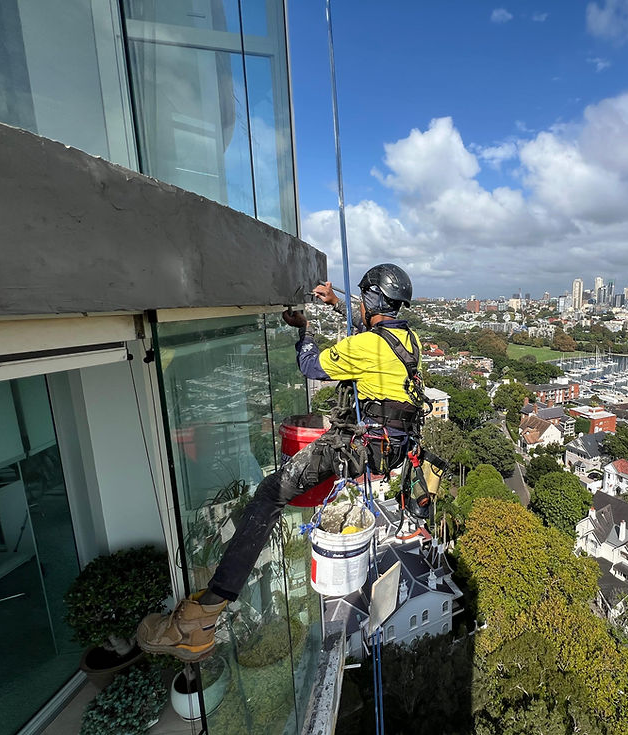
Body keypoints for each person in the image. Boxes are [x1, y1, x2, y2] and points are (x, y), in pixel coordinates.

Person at [138, 263, 426, 662]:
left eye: (362, 299)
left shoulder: (367, 346)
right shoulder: (408, 340)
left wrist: (305, 330)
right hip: (387, 446)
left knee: (270, 493)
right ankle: (205, 614)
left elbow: (310, 366)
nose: (359, 306)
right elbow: (370, 331)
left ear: (372, 300)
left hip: (355, 444)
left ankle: (202, 618)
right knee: (281, 490)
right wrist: (335, 303)